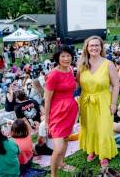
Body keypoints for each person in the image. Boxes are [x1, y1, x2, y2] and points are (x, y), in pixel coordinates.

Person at [77, 35, 119, 167]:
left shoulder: (108, 64)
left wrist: (113, 104)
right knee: (90, 127)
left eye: (97, 45)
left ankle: (104, 153)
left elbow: (116, 85)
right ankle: (92, 150)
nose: (94, 48)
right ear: (87, 48)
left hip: (104, 100)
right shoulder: (82, 65)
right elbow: (77, 85)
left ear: (101, 47)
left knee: (104, 128)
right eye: (91, 45)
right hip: (86, 101)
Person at [44, 45, 78, 177]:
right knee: (57, 148)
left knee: (65, 140)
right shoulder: (53, 75)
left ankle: (62, 163)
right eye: (62, 56)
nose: (66, 58)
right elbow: (47, 100)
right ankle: (53, 174)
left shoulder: (70, 69)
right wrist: (47, 120)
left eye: (68, 55)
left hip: (70, 110)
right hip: (57, 113)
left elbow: (73, 86)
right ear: (57, 57)